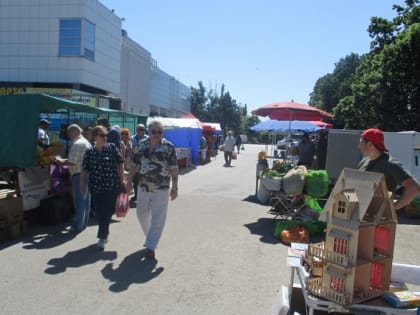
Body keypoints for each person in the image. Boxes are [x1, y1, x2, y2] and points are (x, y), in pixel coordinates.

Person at [131, 120, 178, 259]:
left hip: (161, 187)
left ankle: (151, 246)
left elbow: (174, 169)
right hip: (143, 185)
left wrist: (175, 187)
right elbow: (133, 164)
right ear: (148, 131)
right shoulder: (141, 145)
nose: (157, 134)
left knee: (158, 217)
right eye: (154, 132)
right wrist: (127, 182)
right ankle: (150, 237)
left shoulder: (169, 147)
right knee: (141, 213)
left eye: (160, 132)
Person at [80, 125, 126, 250]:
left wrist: (123, 180)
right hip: (95, 187)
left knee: (106, 211)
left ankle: (102, 237)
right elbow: (84, 170)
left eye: (106, 135)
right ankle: (105, 232)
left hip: (111, 186)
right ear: (95, 137)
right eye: (102, 135)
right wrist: (82, 185)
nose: (105, 138)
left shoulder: (111, 148)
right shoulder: (89, 152)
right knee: (99, 213)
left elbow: (120, 163)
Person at [358, 128, 420, 210]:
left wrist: (392, 208)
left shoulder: (390, 164)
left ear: (370, 145)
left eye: (361, 143)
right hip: (362, 216)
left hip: (381, 220)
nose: (359, 146)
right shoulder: (363, 162)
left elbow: (414, 188)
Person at [57, 124, 92, 232]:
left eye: (68, 133)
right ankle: (84, 223)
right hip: (87, 174)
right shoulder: (86, 142)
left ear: (73, 132)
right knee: (86, 200)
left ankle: (78, 225)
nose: (68, 135)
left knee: (79, 200)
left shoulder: (78, 143)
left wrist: (59, 161)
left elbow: (72, 162)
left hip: (79, 175)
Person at [130, 124, 149, 204]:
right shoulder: (132, 138)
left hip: (145, 162)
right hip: (135, 161)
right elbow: (131, 149)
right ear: (137, 130)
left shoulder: (148, 138)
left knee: (144, 180)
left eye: (143, 129)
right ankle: (136, 195)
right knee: (135, 180)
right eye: (140, 129)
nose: (142, 131)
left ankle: (144, 196)